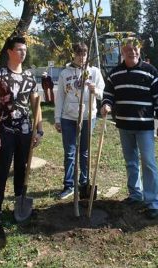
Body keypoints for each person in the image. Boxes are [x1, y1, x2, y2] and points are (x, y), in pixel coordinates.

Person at [101, 37, 158, 219]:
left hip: (144, 125)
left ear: (139, 51)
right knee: (131, 162)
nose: (132, 52)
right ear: (122, 52)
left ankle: (153, 201)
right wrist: (106, 104)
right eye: (129, 49)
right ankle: (135, 194)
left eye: (135, 49)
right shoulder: (115, 73)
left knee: (149, 162)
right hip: (124, 125)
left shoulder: (150, 71)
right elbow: (108, 94)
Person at [0, 36, 43, 222]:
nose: (23, 53)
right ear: (10, 52)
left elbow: (36, 103)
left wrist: (39, 128)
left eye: (25, 50)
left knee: (22, 168)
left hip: (25, 131)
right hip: (5, 130)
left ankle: (19, 205)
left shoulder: (29, 76)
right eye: (19, 50)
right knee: (2, 170)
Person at [54, 42, 105, 200]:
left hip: (88, 117)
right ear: (73, 54)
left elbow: (102, 94)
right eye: (78, 53)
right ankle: (68, 185)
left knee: (84, 151)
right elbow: (60, 97)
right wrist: (57, 118)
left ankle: (84, 183)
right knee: (69, 152)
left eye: (84, 54)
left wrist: (93, 89)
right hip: (68, 118)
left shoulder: (94, 72)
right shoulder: (65, 74)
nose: (81, 57)